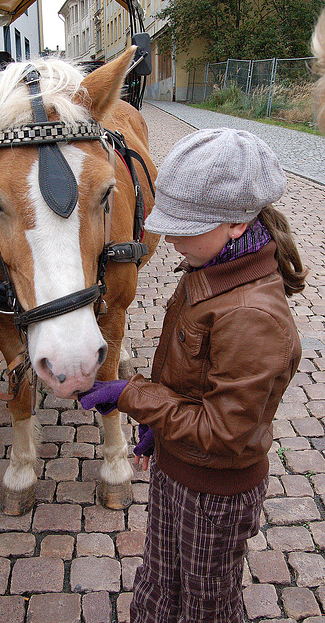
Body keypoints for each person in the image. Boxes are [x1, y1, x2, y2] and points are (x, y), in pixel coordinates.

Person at [79, 128, 306, 623]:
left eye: (185, 225)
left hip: (214, 494)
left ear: (237, 224)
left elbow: (224, 432)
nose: (172, 237)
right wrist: (159, 431)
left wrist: (132, 396)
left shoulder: (254, 317)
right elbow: (190, 378)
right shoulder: (210, 266)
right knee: (159, 581)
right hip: (180, 468)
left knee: (206, 604)